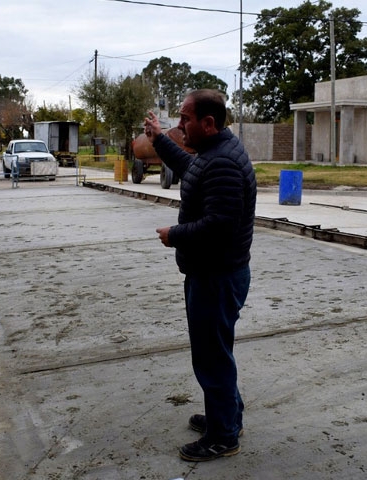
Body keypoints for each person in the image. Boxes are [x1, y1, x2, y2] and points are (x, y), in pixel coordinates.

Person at [144, 89, 256, 462]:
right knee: (216, 353)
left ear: (208, 123)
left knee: (211, 358)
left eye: (185, 119)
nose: (181, 126)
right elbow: (189, 167)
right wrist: (159, 139)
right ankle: (227, 416)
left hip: (217, 277)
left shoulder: (222, 163)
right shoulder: (214, 153)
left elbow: (221, 225)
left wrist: (174, 236)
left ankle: (223, 436)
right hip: (216, 273)